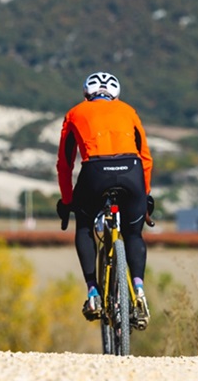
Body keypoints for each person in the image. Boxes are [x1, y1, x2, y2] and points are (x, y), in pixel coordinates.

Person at [55, 71, 155, 330]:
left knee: (85, 226)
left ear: (86, 94)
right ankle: (140, 290)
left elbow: (65, 164)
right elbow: (145, 157)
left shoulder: (75, 113)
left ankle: (92, 292)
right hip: (132, 172)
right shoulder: (128, 111)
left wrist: (67, 201)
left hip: (95, 173)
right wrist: (144, 196)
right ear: (116, 95)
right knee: (133, 234)